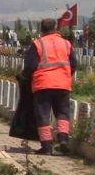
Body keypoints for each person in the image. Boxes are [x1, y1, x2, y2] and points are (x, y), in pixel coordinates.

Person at [22, 19, 77, 155]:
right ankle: (63, 139)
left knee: (43, 115)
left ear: (41, 29)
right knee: (62, 112)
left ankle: (46, 147)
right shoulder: (66, 43)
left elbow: (30, 66)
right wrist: (65, 75)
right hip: (63, 84)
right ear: (56, 28)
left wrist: (25, 77)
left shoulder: (37, 43)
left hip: (43, 84)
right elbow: (74, 64)